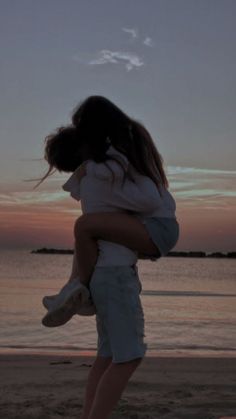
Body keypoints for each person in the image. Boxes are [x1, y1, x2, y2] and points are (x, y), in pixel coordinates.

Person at [36, 96, 179, 419]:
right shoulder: (110, 168)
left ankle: (76, 288)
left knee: (108, 355)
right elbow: (148, 199)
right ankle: (75, 288)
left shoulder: (92, 176)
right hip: (115, 274)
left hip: (106, 272)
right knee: (128, 357)